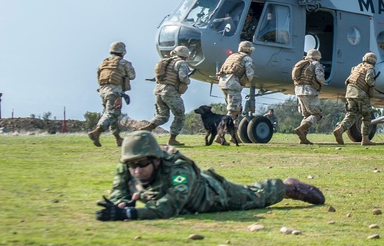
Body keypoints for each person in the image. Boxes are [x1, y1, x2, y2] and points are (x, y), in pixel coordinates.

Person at [94, 131, 325, 221]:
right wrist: (117, 204)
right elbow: (118, 192)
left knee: (253, 196)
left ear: (156, 159)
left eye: (142, 164)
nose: (137, 170)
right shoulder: (128, 164)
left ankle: (288, 187)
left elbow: (170, 207)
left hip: (211, 194)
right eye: (132, 165)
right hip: (164, 196)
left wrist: (128, 213)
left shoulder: (179, 170)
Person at [88, 41, 137, 147]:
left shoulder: (104, 62)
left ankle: (118, 139)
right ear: (123, 51)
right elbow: (132, 76)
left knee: (111, 115)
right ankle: (97, 132)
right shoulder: (124, 63)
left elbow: (98, 75)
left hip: (103, 91)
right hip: (114, 92)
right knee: (113, 113)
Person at [143, 46, 191, 146]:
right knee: (180, 115)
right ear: (185, 55)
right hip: (170, 92)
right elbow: (183, 78)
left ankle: (148, 128)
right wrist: (188, 80)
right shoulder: (181, 63)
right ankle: (172, 139)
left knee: (162, 115)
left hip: (158, 90)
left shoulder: (166, 62)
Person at [333, 52, 378, 145]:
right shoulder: (370, 68)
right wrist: (373, 84)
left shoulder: (357, 67)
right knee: (367, 116)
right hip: (360, 93)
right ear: (373, 61)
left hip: (349, 93)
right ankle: (365, 139)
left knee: (352, 114)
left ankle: (340, 130)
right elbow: (369, 80)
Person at [217, 41, 255, 144]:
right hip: (233, 83)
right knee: (233, 111)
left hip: (223, 82)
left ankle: (234, 136)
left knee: (236, 110)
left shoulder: (232, 56)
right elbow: (250, 74)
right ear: (249, 50)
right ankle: (220, 135)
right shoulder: (247, 58)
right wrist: (244, 81)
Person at [292, 49, 325, 145]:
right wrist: (322, 82)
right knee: (317, 114)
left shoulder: (302, 64)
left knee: (306, 115)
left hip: (298, 91)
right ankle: (302, 128)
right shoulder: (316, 64)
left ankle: (303, 138)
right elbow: (320, 78)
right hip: (310, 92)